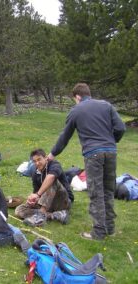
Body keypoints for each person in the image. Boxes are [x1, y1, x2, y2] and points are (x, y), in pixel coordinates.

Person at [47, 83, 125, 240]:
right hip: (111, 152)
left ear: (77, 96)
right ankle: (109, 228)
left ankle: (98, 233)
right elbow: (121, 128)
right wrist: (111, 142)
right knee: (108, 190)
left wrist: (53, 154)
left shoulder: (76, 110)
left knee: (96, 192)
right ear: (88, 93)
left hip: (93, 154)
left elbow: (65, 136)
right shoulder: (106, 105)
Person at [15, 149, 73, 226]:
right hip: (47, 202)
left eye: (39, 159)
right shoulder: (35, 173)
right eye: (34, 161)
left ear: (45, 158)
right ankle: (56, 215)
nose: (37, 163)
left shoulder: (54, 165)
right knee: (19, 210)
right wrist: (33, 200)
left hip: (63, 201)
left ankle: (40, 217)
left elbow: (51, 178)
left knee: (51, 180)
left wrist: (38, 195)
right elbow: (36, 192)